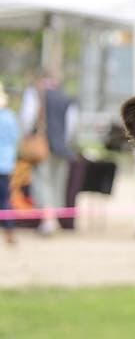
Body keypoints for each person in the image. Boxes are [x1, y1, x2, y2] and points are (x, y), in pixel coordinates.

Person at [21, 70, 77, 235]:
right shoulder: (66, 96)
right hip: (62, 147)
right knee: (57, 183)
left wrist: (28, 136)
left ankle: (48, 221)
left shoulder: (35, 94)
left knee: (42, 182)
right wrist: (64, 141)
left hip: (42, 145)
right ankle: (53, 219)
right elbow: (72, 123)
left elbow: (27, 117)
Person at [0, 83, 17, 245]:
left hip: (4, 164)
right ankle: (9, 231)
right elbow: (14, 140)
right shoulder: (10, 117)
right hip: (5, 165)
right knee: (5, 200)